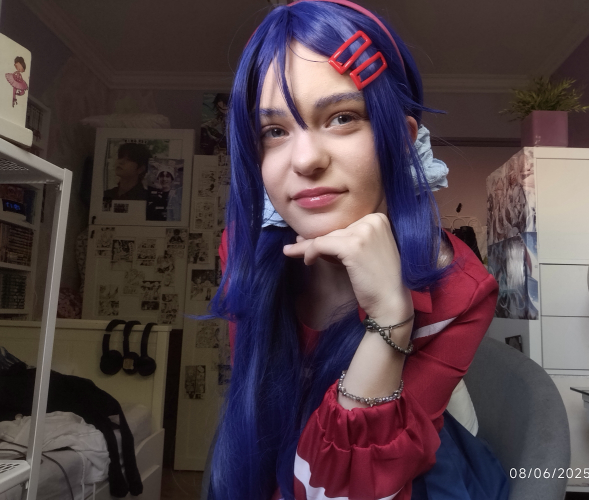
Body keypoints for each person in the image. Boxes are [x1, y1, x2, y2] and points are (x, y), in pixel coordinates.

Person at [205, 1, 508, 499]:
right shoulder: (244, 251)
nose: (306, 159)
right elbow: (255, 421)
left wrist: (391, 316)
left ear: (400, 140)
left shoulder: (460, 291)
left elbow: (352, 490)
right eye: (275, 131)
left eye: (342, 117)